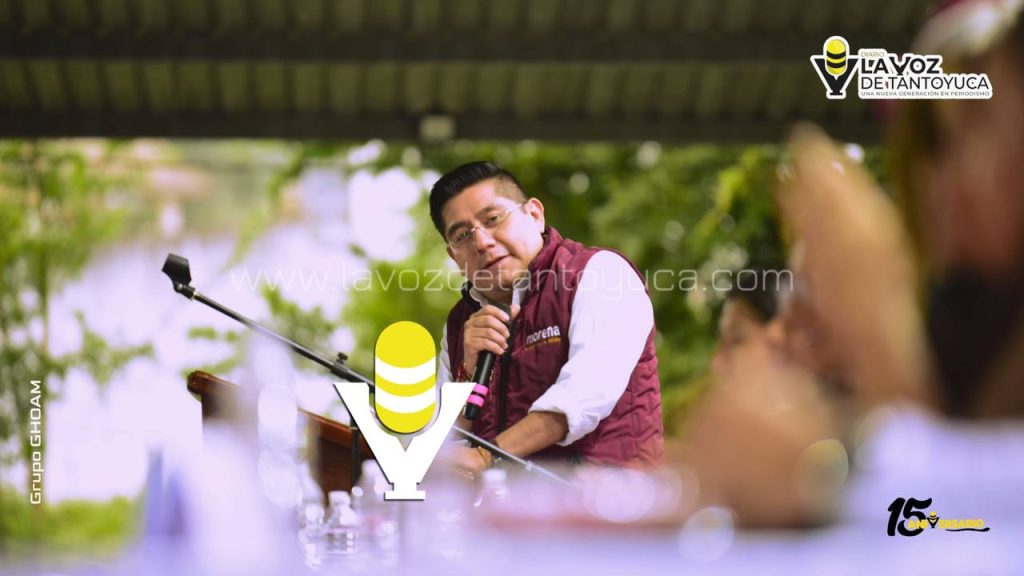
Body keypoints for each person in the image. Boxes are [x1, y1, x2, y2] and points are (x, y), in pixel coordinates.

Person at [429, 162, 663, 476]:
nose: (481, 242)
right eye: (462, 235)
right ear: (453, 255)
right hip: (500, 506)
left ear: (535, 214)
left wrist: (486, 456)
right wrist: (466, 373)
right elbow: (444, 441)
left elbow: (581, 398)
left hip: (605, 501)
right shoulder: (460, 324)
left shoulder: (601, 275)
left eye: (493, 219)